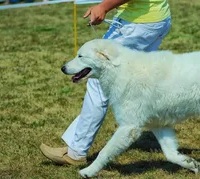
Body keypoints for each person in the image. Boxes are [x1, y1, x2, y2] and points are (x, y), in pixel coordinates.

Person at [40, 0, 171, 165]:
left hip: (137, 24)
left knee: (99, 83)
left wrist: (104, 6)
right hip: (156, 19)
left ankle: (75, 152)